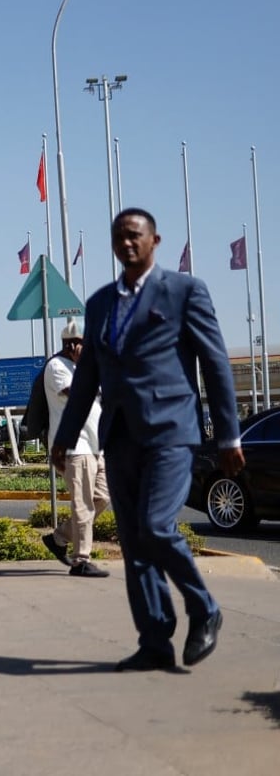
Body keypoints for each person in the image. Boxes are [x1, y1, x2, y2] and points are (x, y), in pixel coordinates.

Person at [50, 208, 244, 672]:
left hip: (171, 433)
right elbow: (86, 380)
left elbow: (215, 365)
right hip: (119, 437)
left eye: (135, 235)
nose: (127, 243)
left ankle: (204, 608)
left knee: (156, 527)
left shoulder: (184, 291)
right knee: (136, 543)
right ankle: (155, 641)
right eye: (119, 236)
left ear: (154, 240)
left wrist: (228, 435)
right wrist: (65, 436)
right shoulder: (98, 304)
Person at [40, 320, 111, 578]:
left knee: (102, 497)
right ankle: (81, 560)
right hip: (73, 447)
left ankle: (59, 539)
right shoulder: (57, 367)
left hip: (94, 446)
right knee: (82, 504)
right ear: (72, 345)